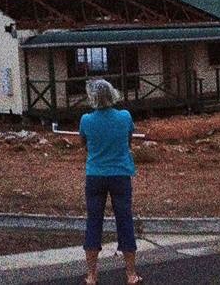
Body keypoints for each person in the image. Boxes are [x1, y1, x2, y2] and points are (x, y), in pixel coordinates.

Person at [79, 79, 142, 285]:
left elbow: (85, 144)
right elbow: (128, 140)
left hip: (95, 174)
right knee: (125, 221)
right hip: (120, 174)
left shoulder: (86, 120)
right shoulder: (125, 117)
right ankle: (131, 274)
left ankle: (91, 275)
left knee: (93, 222)